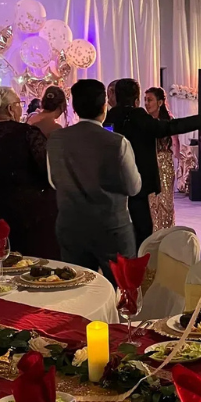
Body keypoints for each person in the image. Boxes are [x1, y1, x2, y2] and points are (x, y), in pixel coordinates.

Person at [47, 79, 141, 280]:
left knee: (75, 287)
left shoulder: (55, 140)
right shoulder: (117, 142)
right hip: (111, 227)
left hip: (70, 225)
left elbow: (54, 182)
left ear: (74, 107)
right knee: (122, 289)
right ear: (103, 106)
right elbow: (133, 187)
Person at [106, 78, 201, 248]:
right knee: (142, 230)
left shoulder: (109, 117)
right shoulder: (138, 116)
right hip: (139, 183)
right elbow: (168, 128)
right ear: (136, 98)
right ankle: (139, 266)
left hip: (114, 185)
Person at [0, 87, 60, 259]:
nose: (21, 108)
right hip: (29, 210)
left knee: (3, 260)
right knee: (34, 261)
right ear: (11, 109)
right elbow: (47, 170)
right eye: (19, 104)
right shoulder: (28, 134)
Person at [143, 87, 180, 231]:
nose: (146, 103)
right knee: (151, 203)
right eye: (145, 100)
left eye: (150, 100)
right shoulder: (144, 120)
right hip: (149, 164)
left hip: (164, 164)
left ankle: (165, 237)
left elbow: (175, 144)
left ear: (159, 102)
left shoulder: (168, 120)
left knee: (165, 203)